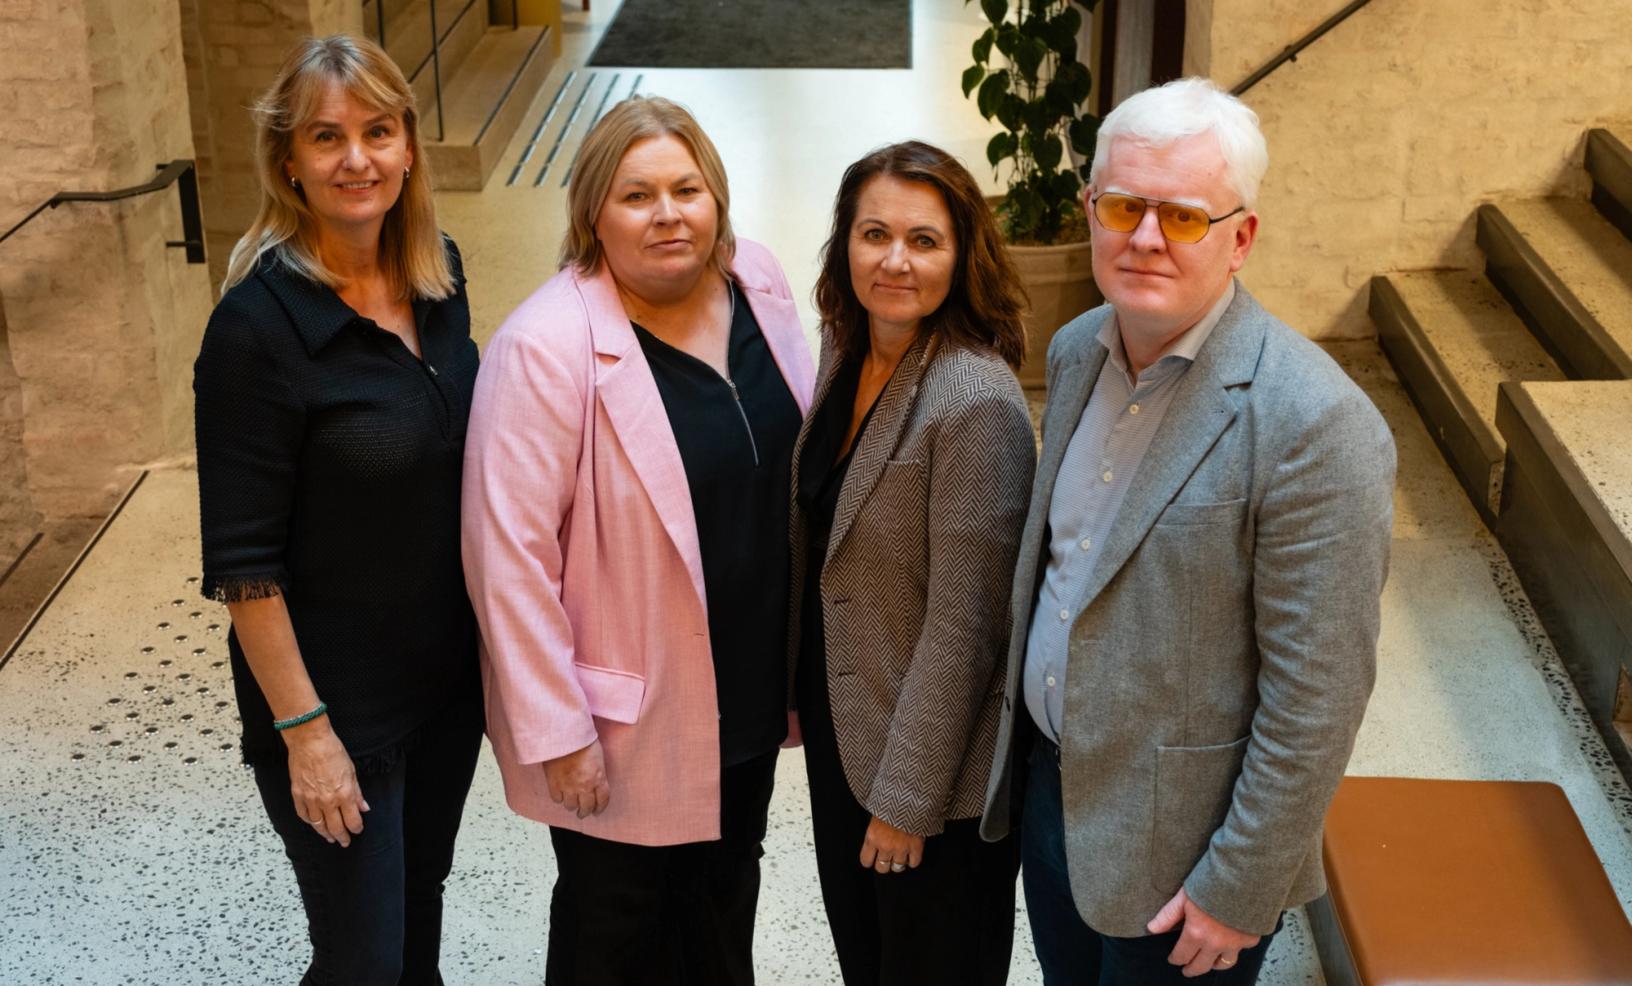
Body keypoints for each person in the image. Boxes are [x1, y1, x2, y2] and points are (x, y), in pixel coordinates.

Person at [981, 77, 1397, 985]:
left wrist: (1238, 887)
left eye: (1182, 217)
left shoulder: (1316, 423)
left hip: (1186, 856)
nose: (1142, 238)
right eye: (1124, 205)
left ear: (1240, 236)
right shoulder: (1078, 346)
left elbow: (1317, 697)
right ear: (1091, 207)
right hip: (1053, 793)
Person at [460, 95, 815, 985]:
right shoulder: (545, 349)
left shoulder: (759, 286)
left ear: (718, 199)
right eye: (636, 195)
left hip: (748, 684)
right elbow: (508, 562)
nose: (668, 214)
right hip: (622, 721)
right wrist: (560, 732)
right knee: (615, 927)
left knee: (727, 896)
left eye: (687, 189)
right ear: (592, 216)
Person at [192, 35, 481, 985]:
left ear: (408, 148)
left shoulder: (438, 274)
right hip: (335, 709)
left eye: (377, 131)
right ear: (289, 162)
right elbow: (243, 565)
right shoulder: (255, 331)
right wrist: (306, 735)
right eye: (327, 137)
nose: (356, 158)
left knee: (418, 924)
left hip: (446, 690)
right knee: (362, 960)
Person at [790, 140, 1035, 986]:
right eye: (873, 234)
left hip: (929, 774)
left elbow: (969, 627)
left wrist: (907, 803)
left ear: (964, 255)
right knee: (868, 961)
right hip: (848, 725)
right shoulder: (847, 345)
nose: (895, 260)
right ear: (843, 243)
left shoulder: (974, 402)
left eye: (925, 241)